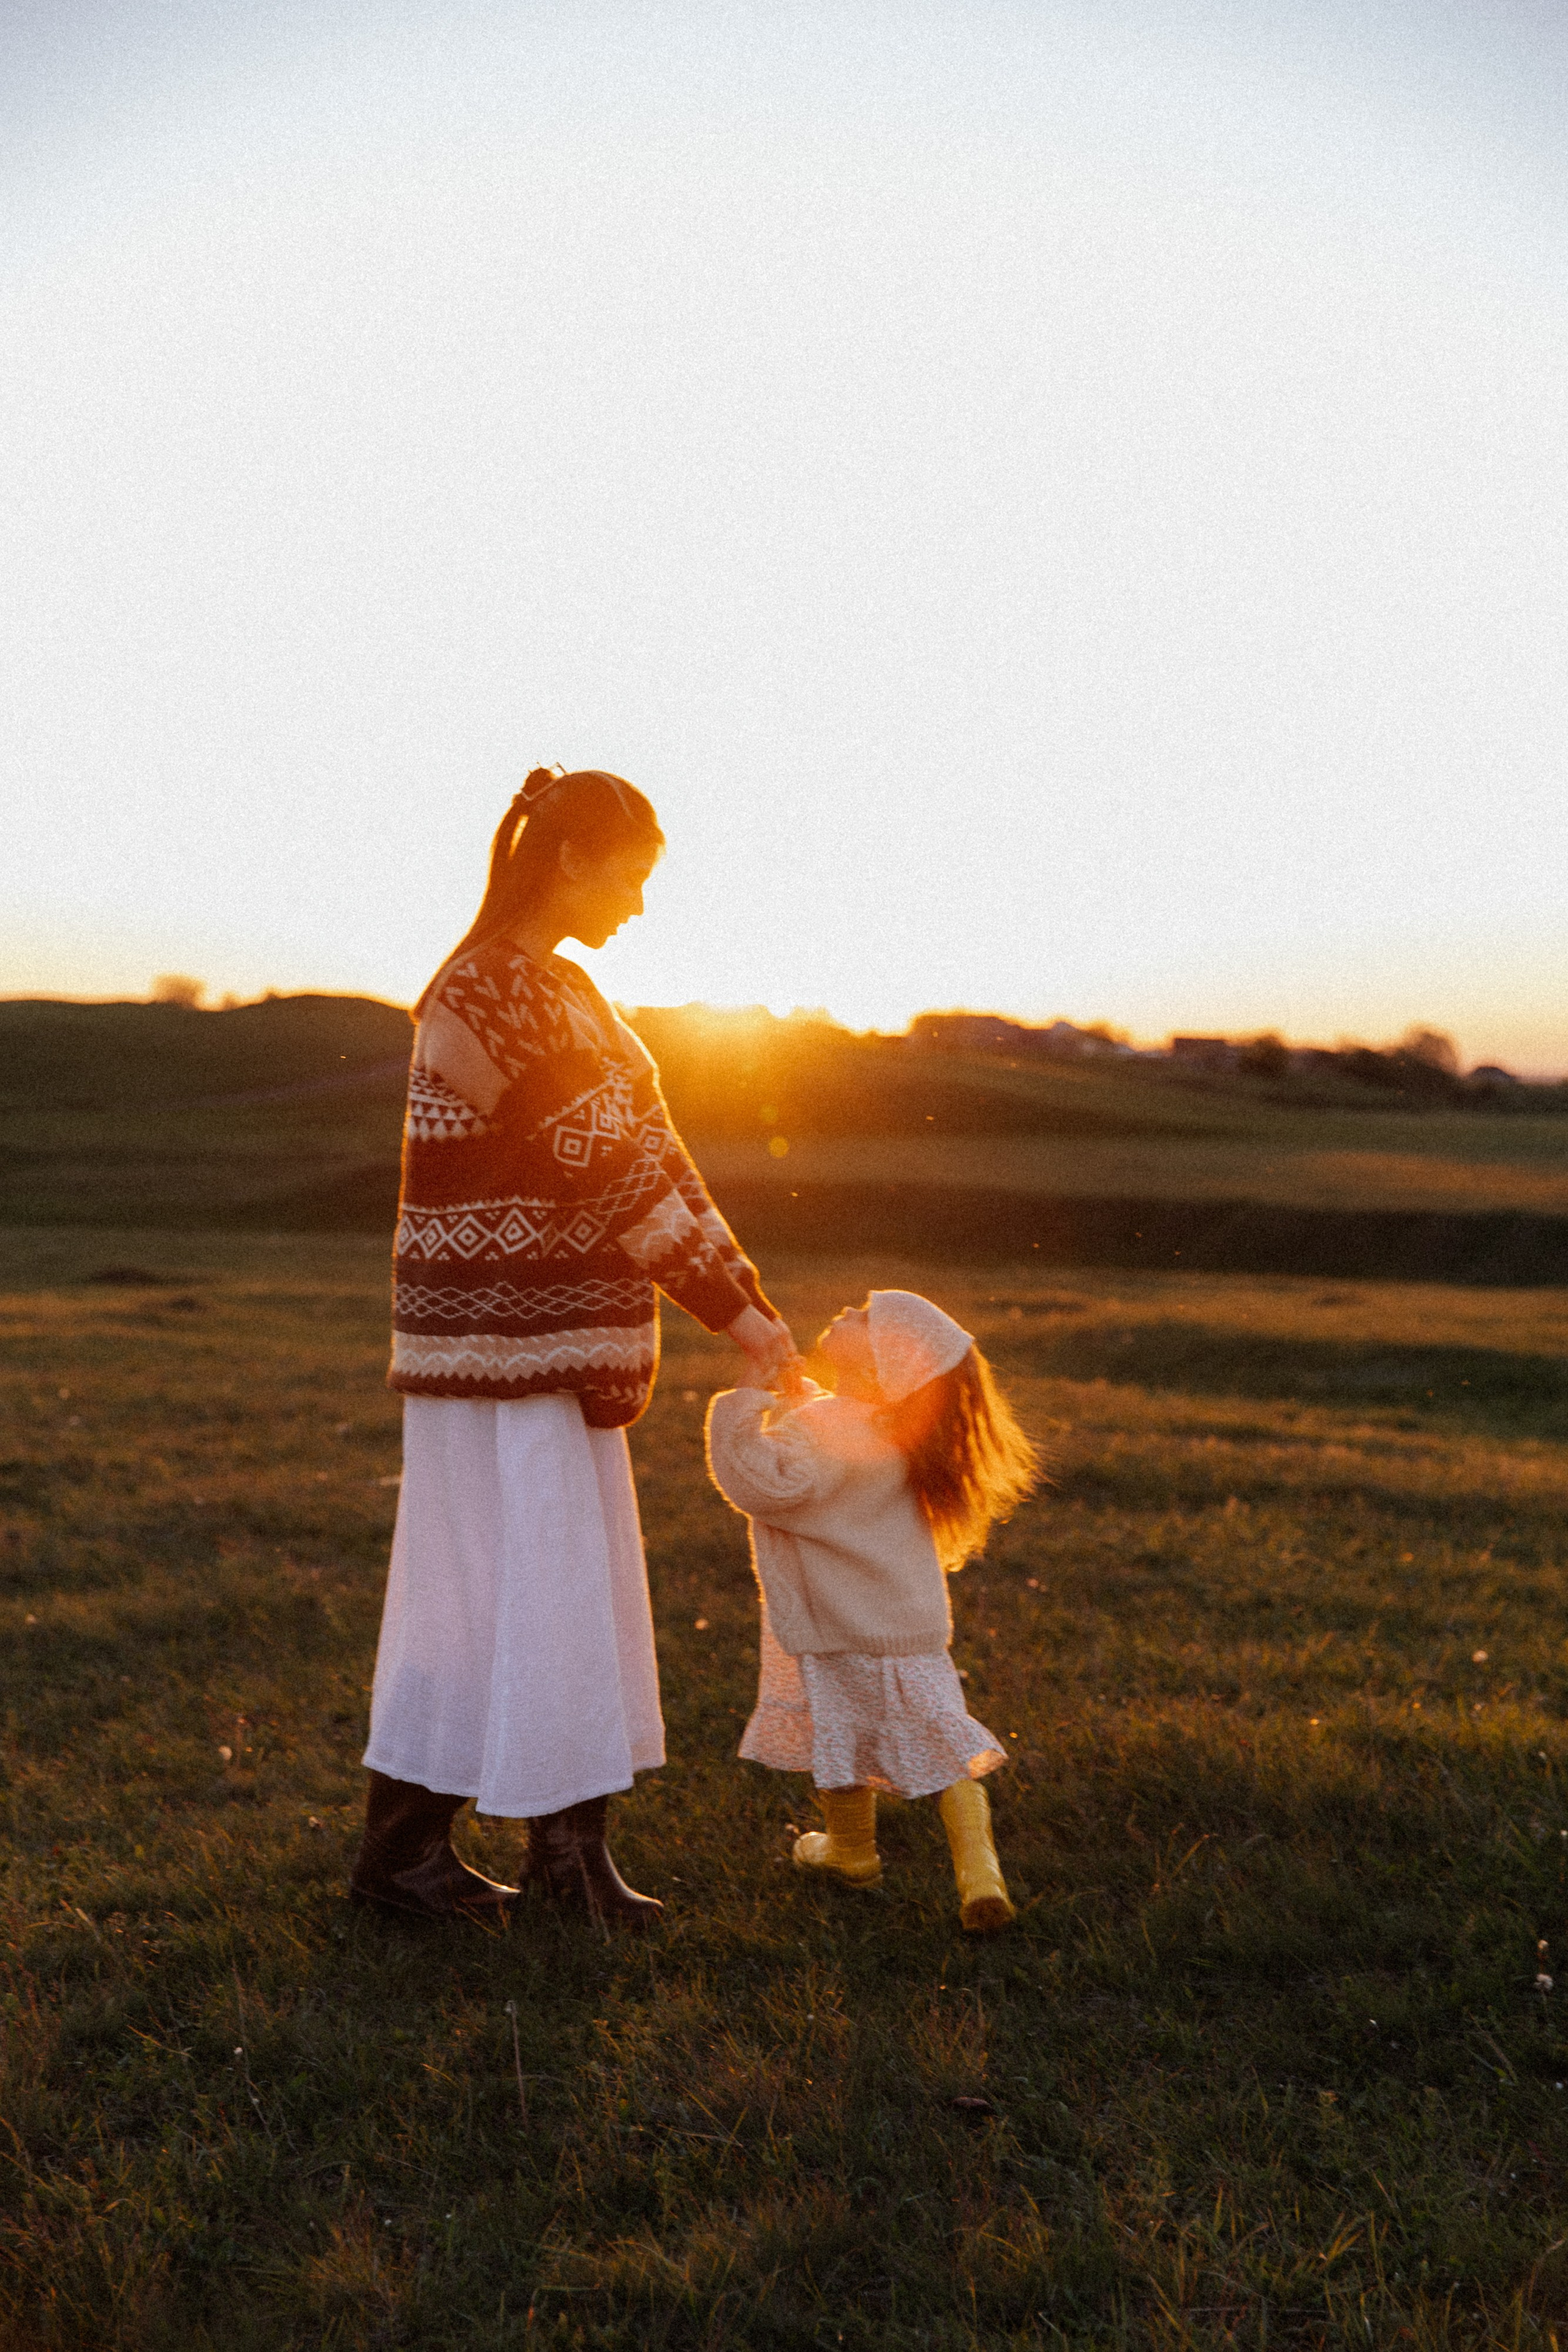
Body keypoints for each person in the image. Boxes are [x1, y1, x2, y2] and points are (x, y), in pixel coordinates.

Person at [351, 767, 796, 1930]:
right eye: (633, 878)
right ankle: (496, 1868)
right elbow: (600, 1164)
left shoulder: (559, 988)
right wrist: (731, 1314)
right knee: (506, 1591)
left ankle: (506, 1862)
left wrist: (744, 1294)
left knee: (536, 1591)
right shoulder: (490, 989)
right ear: (570, 861)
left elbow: (659, 1155)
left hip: (539, 1338)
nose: (639, 906)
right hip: (499, 1343)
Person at [705, 1290, 1039, 1932]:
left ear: (886, 1360)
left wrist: (749, 1399)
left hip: (840, 1625)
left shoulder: (827, 1428)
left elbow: (766, 1484)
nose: (846, 1313)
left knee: (841, 1729)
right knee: (943, 1739)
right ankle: (978, 1872)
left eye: (864, 1317)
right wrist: (807, 1408)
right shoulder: (896, 1431)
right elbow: (843, 1468)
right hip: (910, 1629)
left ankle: (852, 1852)